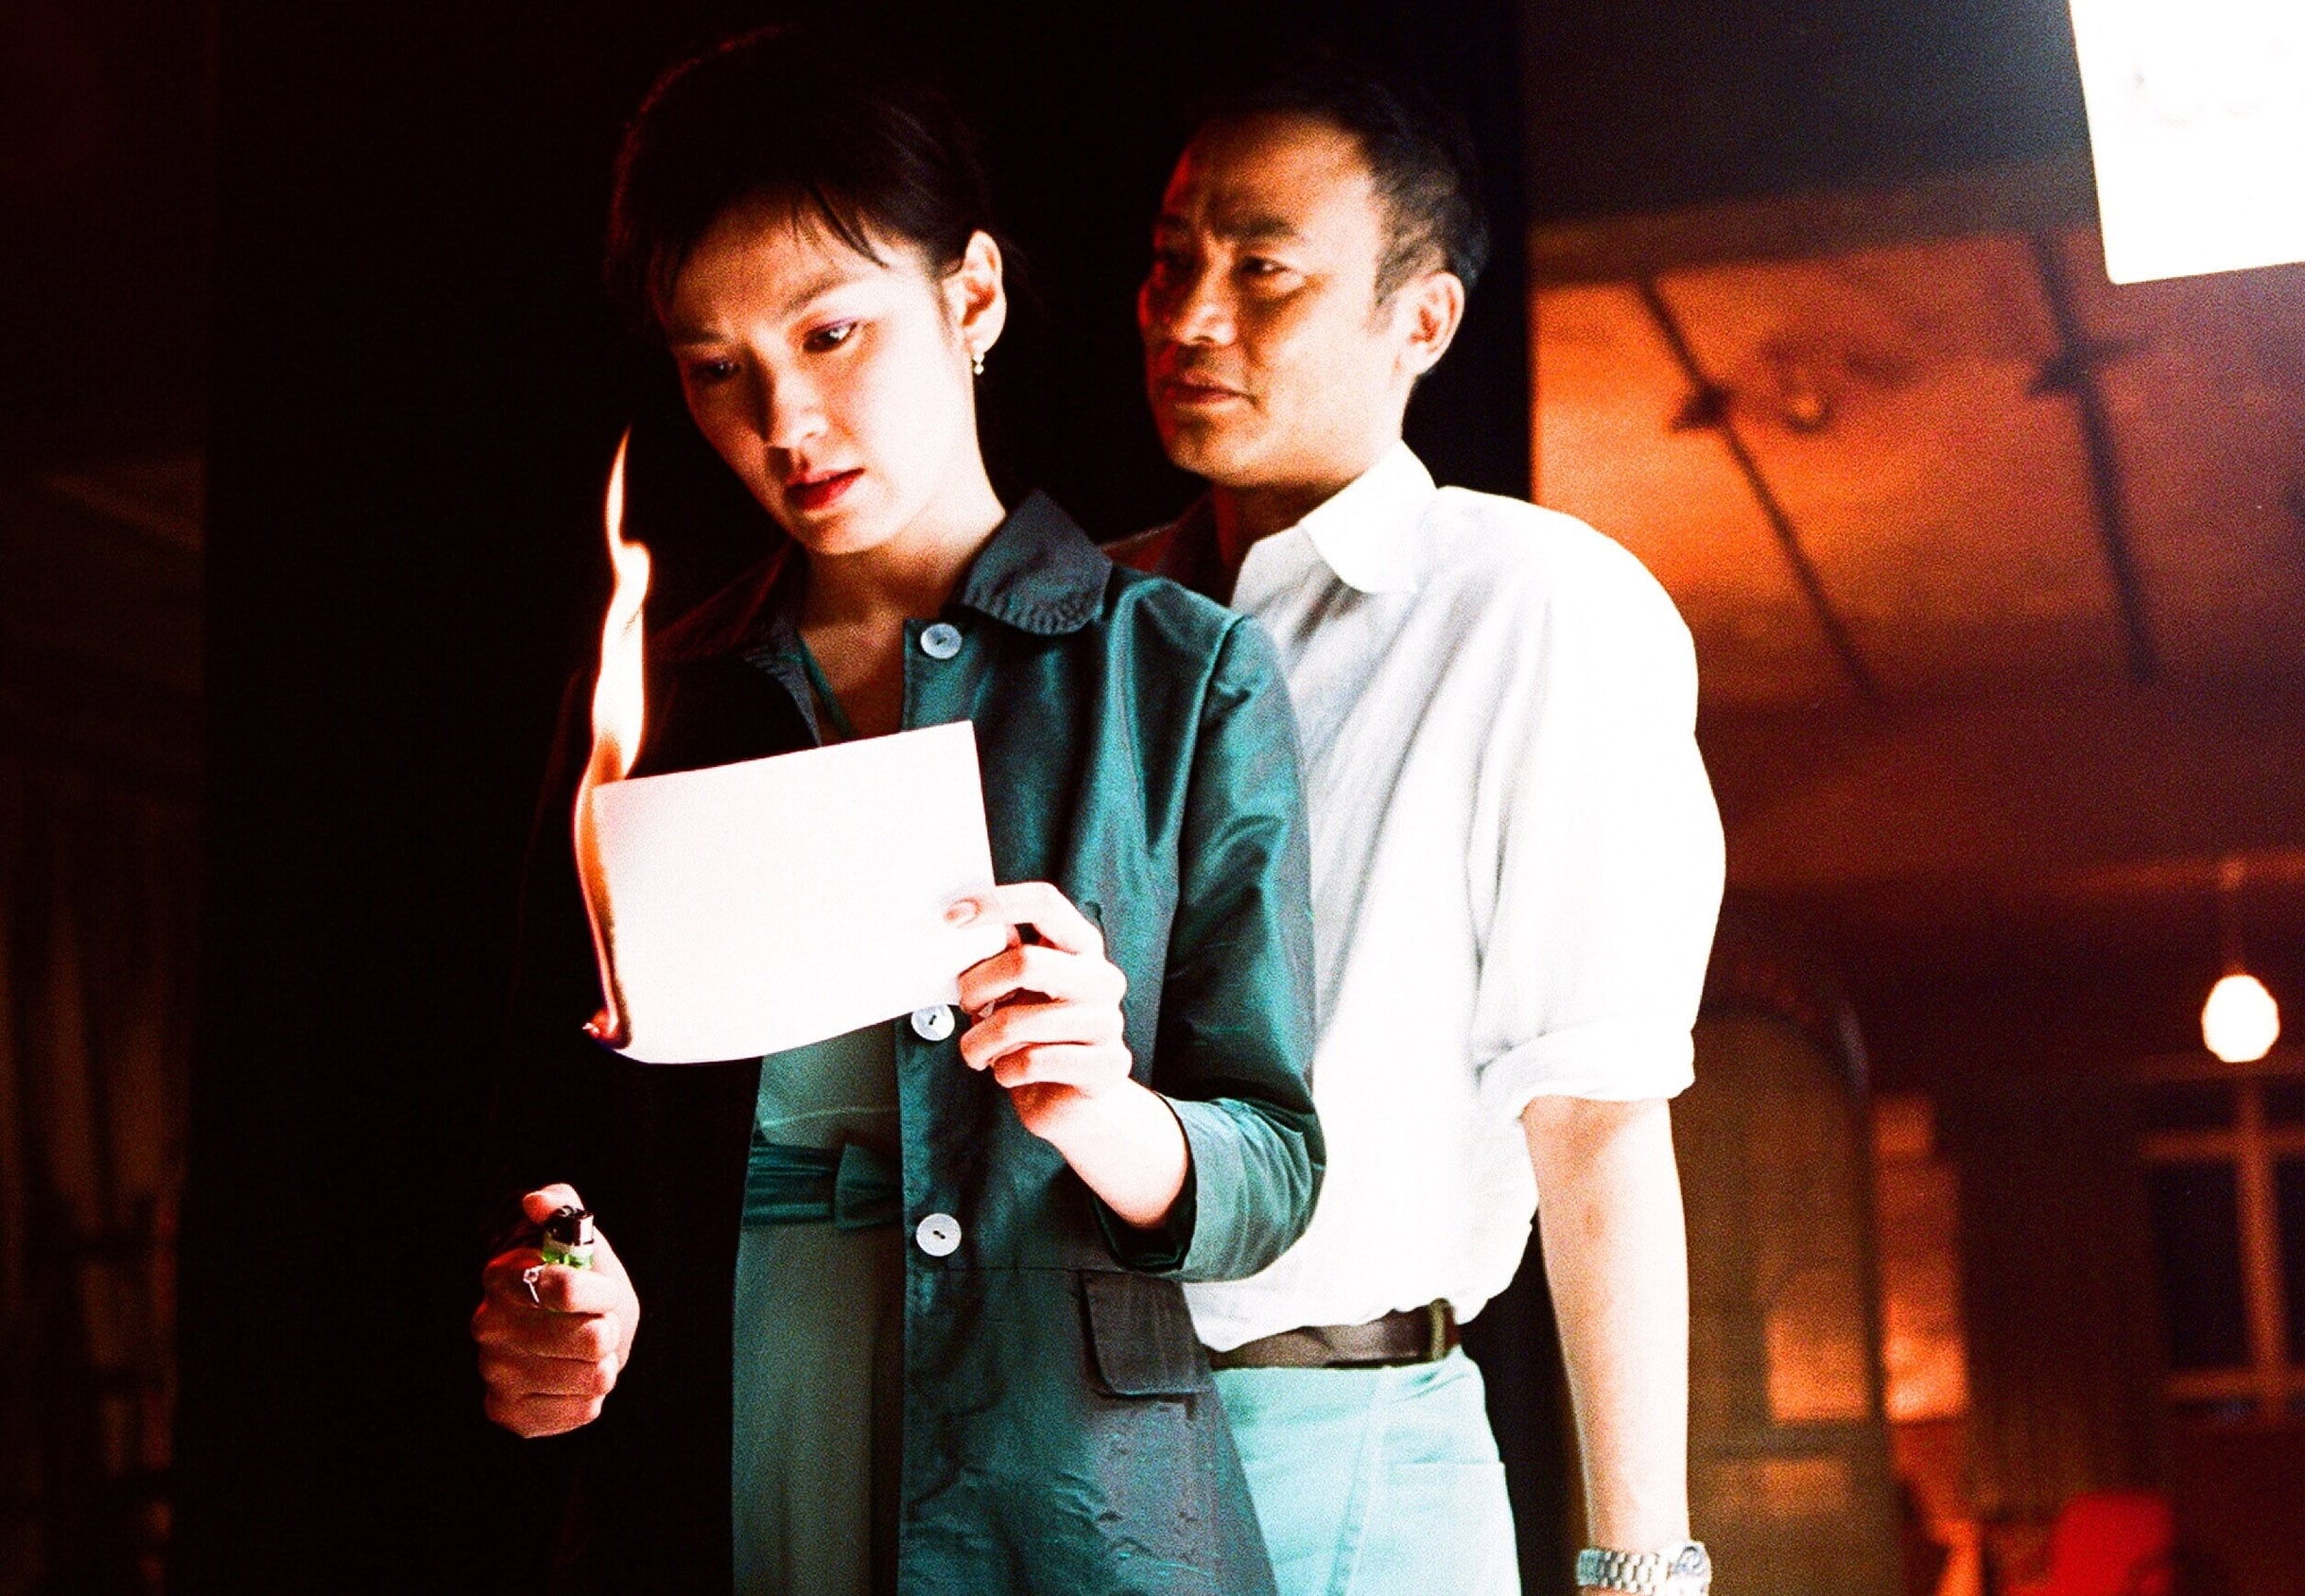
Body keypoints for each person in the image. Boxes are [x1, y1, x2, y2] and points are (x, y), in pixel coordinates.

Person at [469, 27, 1321, 1596]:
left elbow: (1273, 1167)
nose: (782, 420)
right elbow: (542, 1138)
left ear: (971, 297)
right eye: (716, 367)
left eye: (832, 331)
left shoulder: (1180, 676)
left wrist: (1105, 1110)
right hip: (713, 1451)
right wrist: (548, 1295)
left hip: (1068, 1495)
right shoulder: (659, 705)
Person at [1113, 58, 1724, 1596]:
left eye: (1263, 271)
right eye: (1173, 261)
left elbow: (1593, 1112)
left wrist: (1641, 1571)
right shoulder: (1083, 623)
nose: (1191, 317)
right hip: (1041, 1430)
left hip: (1350, 1444)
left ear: (1423, 320)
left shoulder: (1532, 606)